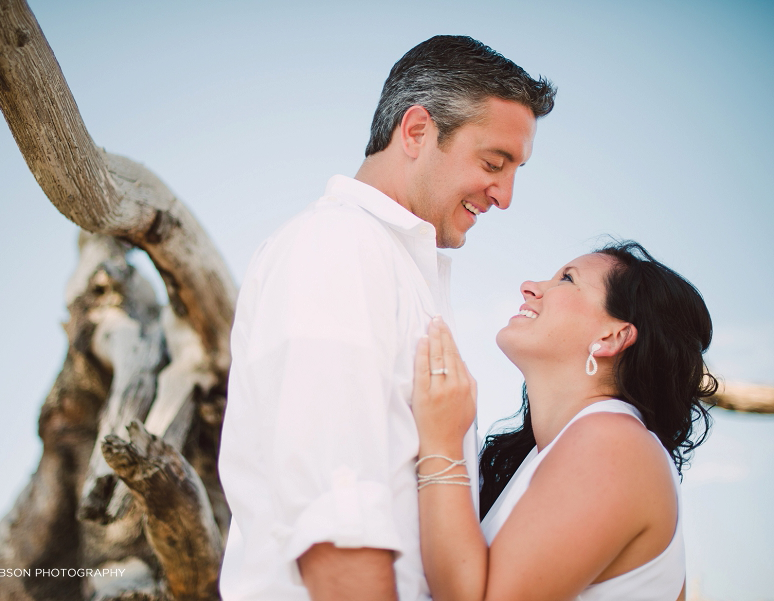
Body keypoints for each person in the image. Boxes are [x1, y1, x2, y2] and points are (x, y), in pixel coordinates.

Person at [218, 35, 556, 600]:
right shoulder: (338, 246)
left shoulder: (399, 269)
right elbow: (336, 516)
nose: (505, 196)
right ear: (417, 131)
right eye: (494, 163)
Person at [411, 241, 716, 601]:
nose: (530, 286)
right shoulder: (557, 453)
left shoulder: (614, 444)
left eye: (567, 279)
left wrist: (443, 442)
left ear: (611, 336)